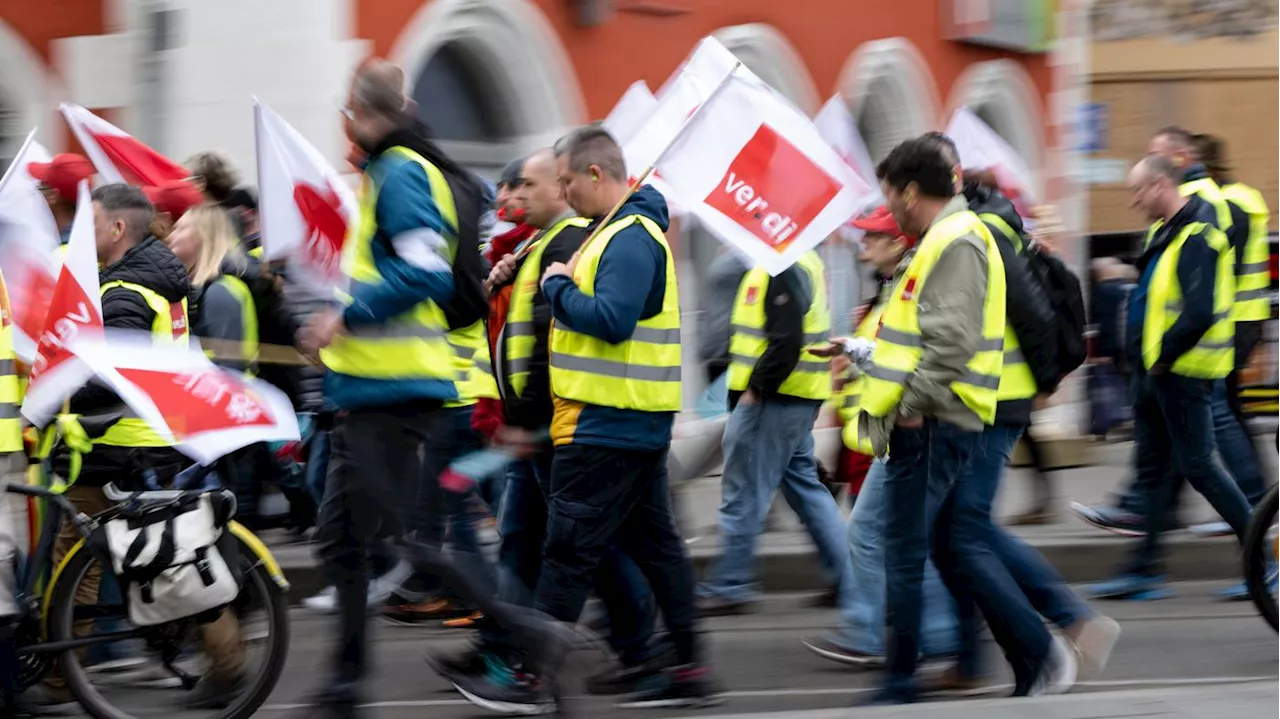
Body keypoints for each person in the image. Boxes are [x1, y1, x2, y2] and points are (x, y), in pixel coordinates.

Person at [298, 59, 556, 718]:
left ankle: (526, 632)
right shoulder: (391, 170)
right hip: (369, 390)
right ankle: (346, 681)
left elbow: (425, 273)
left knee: (405, 540)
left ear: (357, 116)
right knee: (342, 538)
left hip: (394, 391)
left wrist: (343, 316)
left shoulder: (401, 172)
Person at [455, 126, 720, 712]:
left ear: (595, 175)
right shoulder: (616, 233)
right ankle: (689, 668)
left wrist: (558, 288)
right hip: (626, 421)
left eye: (569, 180)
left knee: (568, 558)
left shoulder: (626, 237)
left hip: (605, 425)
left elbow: (612, 319)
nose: (566, 191)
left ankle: (528, 679)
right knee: (657, 551)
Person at [845, 137, 1067, 704]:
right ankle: (1032, 656)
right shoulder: (942, 239)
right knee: (942, 543)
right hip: (933, 418)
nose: (888, 207)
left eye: (891, 193)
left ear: (912, 190)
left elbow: (950, 346)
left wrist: (912, 410)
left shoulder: (956, 240)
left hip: (934, 422)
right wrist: (859, 351)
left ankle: (905, 679)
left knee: (905, 549)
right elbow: (915, 338)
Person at [432, 148, 657, 697]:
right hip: (538, 424)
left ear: (564, 188)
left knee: (572, 547)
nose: (517, 194)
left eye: (531, 184)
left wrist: (527, 421)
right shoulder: (537, 246)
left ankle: (620, 648)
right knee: (535, 543)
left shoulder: (569, 242)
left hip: (553, 425)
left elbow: (548, 343)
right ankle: (511, 647)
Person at [23, 184, 196, 713]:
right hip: (154, 439)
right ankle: (228, 659)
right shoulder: (158, 275)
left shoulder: (126, 290)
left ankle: (57, 679)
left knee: (78, 559)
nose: (82, 234)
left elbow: (112, 376)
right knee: (169, 557)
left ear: (117, 228)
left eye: (90, 222)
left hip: (118, 443)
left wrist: (57, 391)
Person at [1086, 154, 1254, 602]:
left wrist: (1162, 359)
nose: (1135, 200)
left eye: (1138, 191)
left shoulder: (1199, 235)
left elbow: (1199, 312)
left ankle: (1266, 563)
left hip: (1183, 375)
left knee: (1201, 469)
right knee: (1157, 476)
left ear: (1161, 185)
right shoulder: (1168, 232)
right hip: (1157, 376)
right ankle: (1144, 571)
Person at [802, 206, 960, 669]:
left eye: (872, 237)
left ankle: (870, 633)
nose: (862, 244)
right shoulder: (891, 289)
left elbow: (914, 357)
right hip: (891, 433)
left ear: (897, 244)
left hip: (904, 431)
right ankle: (936, 633)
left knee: (874, 535)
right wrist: (851, 348)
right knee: (898, 538)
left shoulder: (906, 290)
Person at [695, 224, 855, 618]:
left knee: (744, 491)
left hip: (773, 401)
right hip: (792, 398)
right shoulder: (796, 260)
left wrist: (757, 390)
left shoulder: (781, 264)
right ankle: (849, 578)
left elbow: (785, 338)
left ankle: (731, 583)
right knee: (805, 490)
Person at [27, 153, 95, 244]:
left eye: (40, 188)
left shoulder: (57, 254)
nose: (36, 195)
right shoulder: (89, 241)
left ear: (53, 196)